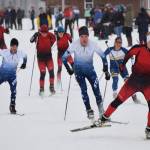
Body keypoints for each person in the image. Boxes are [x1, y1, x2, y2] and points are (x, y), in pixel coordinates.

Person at [100, 33, 150, 139]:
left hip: (147, 84)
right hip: (133, 82)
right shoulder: (139, 48)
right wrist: (122, 65)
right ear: (147, 41)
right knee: (118, 100)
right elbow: (128, 54)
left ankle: (149, 129)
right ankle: (104, 118)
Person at [62, 26, 110, 120]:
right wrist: (69, 69)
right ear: (79, 37)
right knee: (84, 90)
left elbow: (103, 56)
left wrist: (106, 70)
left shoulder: (93, 44)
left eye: (86, 36)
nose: (84, 39)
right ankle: (89, 110)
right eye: (82, 36)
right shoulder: (74, 45)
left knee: (96, 90)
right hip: (79, 72)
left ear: (88, 37)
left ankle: (101, 111)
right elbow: (64, 57)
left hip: (90, 72)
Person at [104, 37, 140, 103]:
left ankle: (134, 96)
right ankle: (115, 94)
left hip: (122, 68)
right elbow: (103, 55)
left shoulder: (123, 50)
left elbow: (131, 55)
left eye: (120, 42)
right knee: (115, 79)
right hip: (113, 68)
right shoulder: (110, 49)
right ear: (114, 42)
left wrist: (133, 63)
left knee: (128, 81)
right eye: (117, 42)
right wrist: (105, 64)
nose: (119, 44)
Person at [0, 38, 27, 114]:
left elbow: (25, 56)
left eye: (15, 46)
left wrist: (24, 63)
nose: (14, 48)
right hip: (2, 74)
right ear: (10, 46)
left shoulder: (20, 53)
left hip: (12, 76)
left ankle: (12, 106)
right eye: (12, 46)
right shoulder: (5, 52)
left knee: (14, 91)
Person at [30, 25, 56, 96]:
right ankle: (41, 88)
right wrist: (34, 35)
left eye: (45, 32)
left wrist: (56, 34)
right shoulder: (38, 36)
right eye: (42, 32)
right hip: (41, 59)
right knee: (43, 73)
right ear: (40, 31)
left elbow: (56, 38)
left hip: (48, 58)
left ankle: (51, 87)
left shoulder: (50, 35)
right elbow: (31, 40)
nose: (44, 34)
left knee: (51, 72)